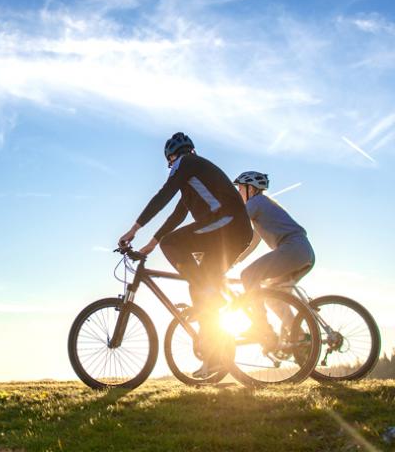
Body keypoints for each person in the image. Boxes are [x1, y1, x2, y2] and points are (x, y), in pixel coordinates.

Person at [118, 132, 253, 378]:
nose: (172, 167)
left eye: (170, 163)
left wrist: (134, 229)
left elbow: (163, 195)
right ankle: (216, 356)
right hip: (232, 229)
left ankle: (209, 291)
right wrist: (150, 243)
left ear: (172, 158)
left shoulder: (185, 163)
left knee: (176, 249)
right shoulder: (194, 177)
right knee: (200, 290)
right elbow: (178, 214)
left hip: (228, 223)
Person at [233, 171, 316, 336]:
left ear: (251, 189)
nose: (239, 193)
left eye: (241, 188)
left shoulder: (256, 202)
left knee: (249, 276)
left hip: (292, 248)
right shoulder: (263, 206)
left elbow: (234, 223)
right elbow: (252, 243)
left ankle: (260, 326)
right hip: (303, 252)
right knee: (273, 298)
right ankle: (298, 336)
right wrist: (234, 261)